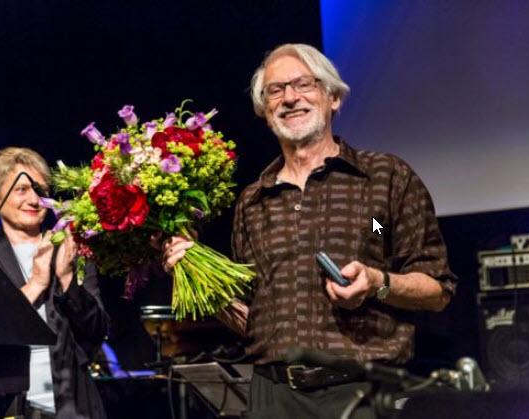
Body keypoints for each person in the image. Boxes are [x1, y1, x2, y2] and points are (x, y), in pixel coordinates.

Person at [163, 43, 457, 419]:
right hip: (272, 397)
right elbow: (251, 322)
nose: (290, 98)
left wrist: (376, 281)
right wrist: (195, 273)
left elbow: (438, 289)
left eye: (304, 84)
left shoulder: (385, 178)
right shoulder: (253, 202)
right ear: (264, 111)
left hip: (360, 395)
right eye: (275, 90)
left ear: (333, 98)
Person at [0, 147, 109, 419]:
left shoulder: (72, 250)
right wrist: (35, 284)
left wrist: (67, 280)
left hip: (73, 407)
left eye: (41, 192)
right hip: (3, 408)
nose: (34, 200)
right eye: (21, 189)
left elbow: (98, 330)